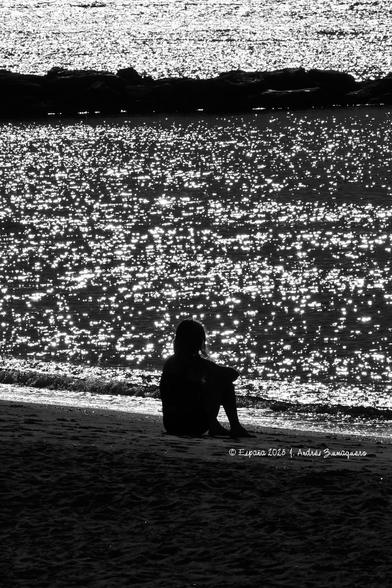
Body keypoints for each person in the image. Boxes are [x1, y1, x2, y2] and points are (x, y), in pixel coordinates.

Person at [160, 318, 254, 437]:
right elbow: (233, 374)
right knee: (224, 384)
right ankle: (232, 426)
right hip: (191, 425)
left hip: (171, 424)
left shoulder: (170, 362)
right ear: (198, 341)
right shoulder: (196, 363)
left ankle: (216, 425)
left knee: (203, 387)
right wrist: (212, 379)